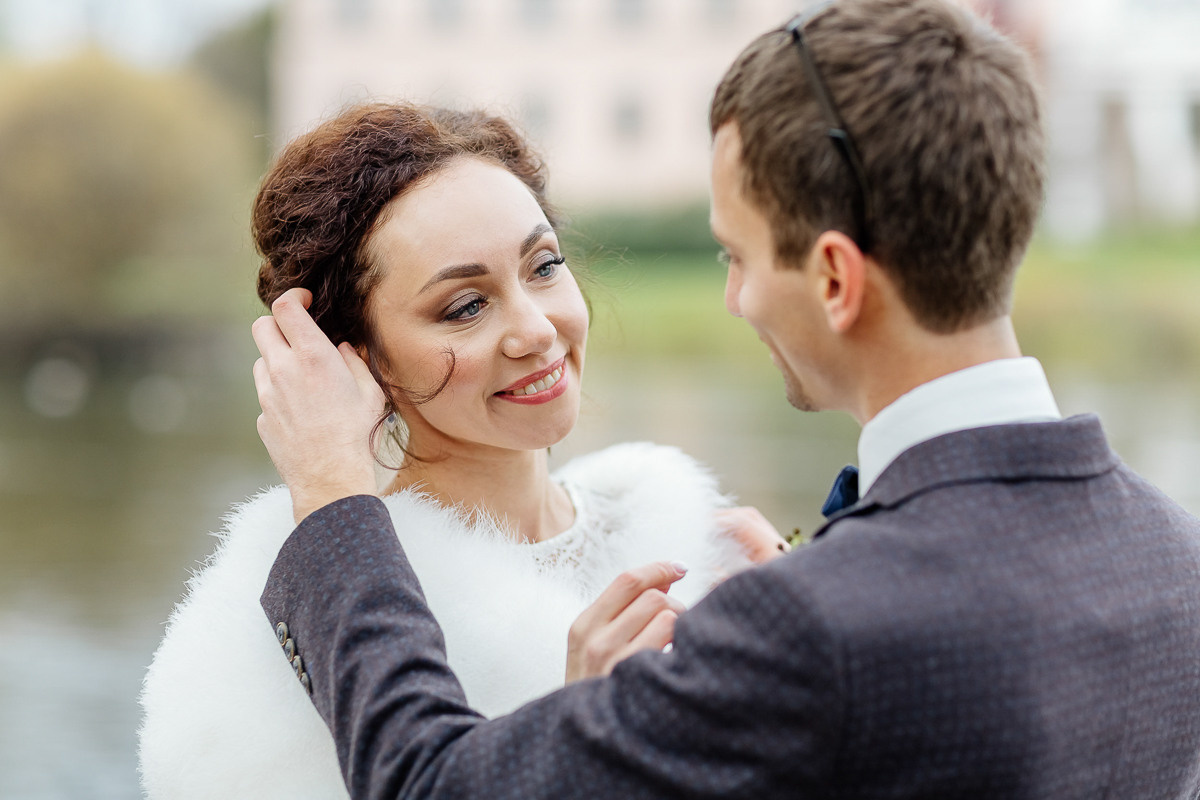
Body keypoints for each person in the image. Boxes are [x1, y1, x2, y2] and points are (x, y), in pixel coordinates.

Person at [250, 0, 1200, 797]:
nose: (736, 298)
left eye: (737, 256)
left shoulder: (809, 628)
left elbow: (431, 781)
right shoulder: (1174, 549)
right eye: (463, 302)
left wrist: (335, 500)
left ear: (833, 277)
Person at [137, 103, 760, 799]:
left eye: (544, 266)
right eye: (465, 306)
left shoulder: (694, 537)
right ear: (358, 359)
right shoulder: (258, 649)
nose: (534, 330)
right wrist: (578, 750)